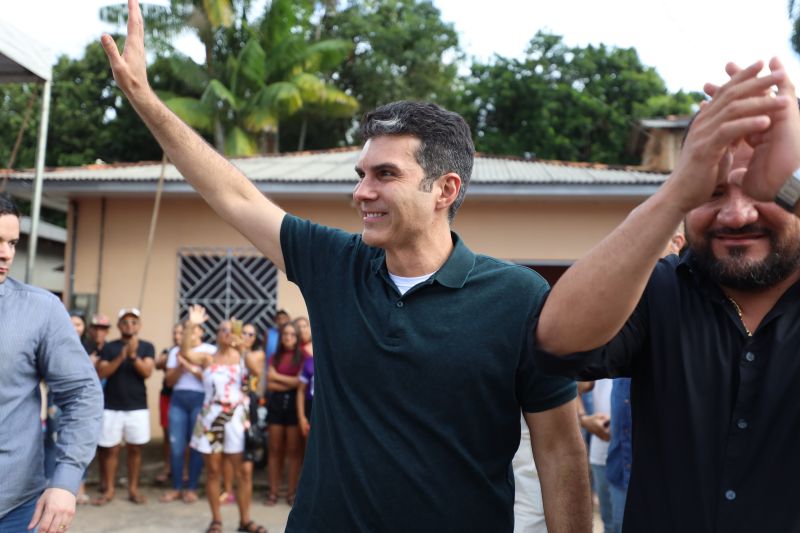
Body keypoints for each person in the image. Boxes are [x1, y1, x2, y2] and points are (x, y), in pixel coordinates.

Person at [102, 5, 591, 529]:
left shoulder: (518, 296)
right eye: (361, 173)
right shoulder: (334, 264)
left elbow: (561, 450)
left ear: (444, 190)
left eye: (385, 174)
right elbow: (233, 194)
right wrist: (145, 100)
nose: (361, 192)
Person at [534, 58, 800, 531]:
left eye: (766, 190)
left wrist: (794, 178)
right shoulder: (658, 290)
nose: (736, 215)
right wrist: (677, 191)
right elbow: (558, 343)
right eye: (713, 192)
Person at [0, 193, 103, 532]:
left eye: (12, 242)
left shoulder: (41, 311)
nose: (6, 254)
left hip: (14, 509)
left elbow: (82, 394)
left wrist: (66, 480)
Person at [184, 306, 266, 533]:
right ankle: (216, 520)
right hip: (211, 418)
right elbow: (187, 353)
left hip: (237, 418)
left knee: (244, 471)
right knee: (212, 471)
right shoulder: (208, 357)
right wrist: (191, 325)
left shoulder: (245, 356)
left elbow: (256, 372)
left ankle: (245, 520)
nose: (228, 333)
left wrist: (244, 348)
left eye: (232, 330)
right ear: (218, 334)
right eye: (224, 329)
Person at [94, 308, 155, 506]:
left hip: (137, 406)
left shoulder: (147, 347)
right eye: (126, 322)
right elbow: (102, 372)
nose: (130, 325)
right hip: (112, 406)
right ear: (119, 325)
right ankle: (110, 489)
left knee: (135, 449)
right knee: (111, 450)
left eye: (134, 322)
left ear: (139, 325)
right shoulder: (110, 347)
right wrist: (121, 356)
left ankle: (133, 489)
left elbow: (147, 372)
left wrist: (133, 355)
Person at [160, 320, 215, 504]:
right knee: (176, 447)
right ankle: (176, 488)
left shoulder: (210, 350)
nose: (188, 333)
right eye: (185, 330)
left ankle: (192, 488)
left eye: (192, 329)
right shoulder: (176, 351)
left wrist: (191, 367)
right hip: (178, 400)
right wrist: (180, 367)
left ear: (201, 331)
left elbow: (210, 381)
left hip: (200, 399)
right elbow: (169, 381)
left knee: (196, 446)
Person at [264, 322, 307, 506]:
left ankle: (291, 492)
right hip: (276, 404)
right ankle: (273, 492)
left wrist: (277, 378)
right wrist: (289, 381)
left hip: (294, 405)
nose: (288, 337)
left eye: (292, 334)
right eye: (285, 334)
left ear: (297, 338)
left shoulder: (304, 356)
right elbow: (269, 384)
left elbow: (300, 384)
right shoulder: (274, 357)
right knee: (274, 450)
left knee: (294, 451)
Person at [154, 322, 180, 486]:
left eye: (180, 333)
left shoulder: (194, 352)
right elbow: (157, 364)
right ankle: (167, 466)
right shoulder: (168, 352)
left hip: (184, 398)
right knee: (167, 435)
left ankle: (182, 470)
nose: (177, 336)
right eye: (175, 333)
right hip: (167, 397)